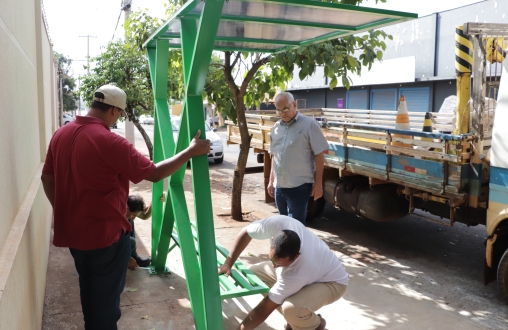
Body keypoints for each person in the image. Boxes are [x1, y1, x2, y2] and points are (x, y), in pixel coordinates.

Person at [41, 85, 210, 330]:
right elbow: (153, 173)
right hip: (105, 238)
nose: (117, 119)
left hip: (74, 236)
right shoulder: (109, 141)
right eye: (119, 114)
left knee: (89, 294)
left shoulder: (61, 134)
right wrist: (190, 152)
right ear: (112, 110)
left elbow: (47, 179)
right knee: (107, 307)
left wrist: (63, 210)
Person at [218, 215, 348, 330]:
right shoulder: (276, 224)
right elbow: (246, 232)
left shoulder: (298, 271)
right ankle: (299, 322)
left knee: (292, 309)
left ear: (296, 256)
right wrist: (228, 263)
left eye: (279, 264)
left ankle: (315, 325)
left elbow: (264, 309)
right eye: (272, 260)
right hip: (312, 271)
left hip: (332, 282)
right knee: (254, 276)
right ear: (273, 239)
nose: (274, 266)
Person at [267, 92, 329, 225]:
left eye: (285, 108)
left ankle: (299, 247)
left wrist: (318, 184)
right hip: (279, 187)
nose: (283, 113)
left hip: (299, 187)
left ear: (294, 105)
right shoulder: (276, 127)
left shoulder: (309, 124)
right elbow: (274, 155)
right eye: (279, 110)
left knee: (296, 228)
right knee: (282, 225)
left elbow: (319, 155)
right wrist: (271, 181)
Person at [126, 194, 154, 268]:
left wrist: (155, 200)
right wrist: (127, 259)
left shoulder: (129, 209)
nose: (134, 218)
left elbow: (145, 215)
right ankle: (128, 258)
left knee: (130, 221)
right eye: (133, 215)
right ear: (127, 209)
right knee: (131, 241)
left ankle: (133, 256)